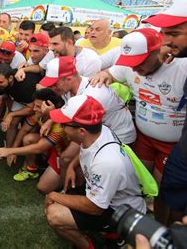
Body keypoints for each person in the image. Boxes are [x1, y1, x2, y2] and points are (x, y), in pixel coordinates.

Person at [90, 28, 187, 222]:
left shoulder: (184, 65)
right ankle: (135, 222)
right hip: (143, 138)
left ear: (158, 51)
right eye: (131, 64)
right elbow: (111, 72)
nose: (135, 69)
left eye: (141, 62)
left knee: (164, 191)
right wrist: (103, 76)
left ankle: (162, 230)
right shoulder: (129, 65)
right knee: (136, 182)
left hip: (173, 145)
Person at [45, 95, 146, 248]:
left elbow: (95, 208)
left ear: (81, 131)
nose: (61, 127)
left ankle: (92, 244)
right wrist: (72, 165)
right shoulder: (99, 131)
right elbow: (88, 149)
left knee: (53, 214)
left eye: (64, 124)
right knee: (66, 195)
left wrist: (54, 195)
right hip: (110, 199)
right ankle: (111, 233)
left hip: (119, 210)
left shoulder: (107, 162)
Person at [141, 0, 187, 222]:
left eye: (174, 33)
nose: (166, 41)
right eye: (163, 33)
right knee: (169, 205)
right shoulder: (183, 59)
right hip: (183, 155)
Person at [40, 56, 136, 145]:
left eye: (54, 84)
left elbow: (76, 125)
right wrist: (51, 120)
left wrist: (51, 114)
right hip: (98, 132)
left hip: (119, 137)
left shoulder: (94, 93)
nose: (52, 88)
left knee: (67, 157)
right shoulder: (68, 89)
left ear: (68, 79)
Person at [0, 88, 69, 192]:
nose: (34, 109)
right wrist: (13, 149)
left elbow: (39, 148)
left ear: (50, 107)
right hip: (49, 145)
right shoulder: (38, 114)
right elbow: (23, 130)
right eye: (34, 105)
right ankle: (32, 170)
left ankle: (66, 180)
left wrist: (9, 151)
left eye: (38, 106)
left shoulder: (59, 125)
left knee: (43, 187)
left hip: (61, 154)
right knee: (28, 138)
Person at [0, 63, 42, 148]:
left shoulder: (25, 86)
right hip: (20, 99)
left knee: (28, 127)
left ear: (11, 78)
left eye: (0, 82)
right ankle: (8, 148)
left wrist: (11, 114)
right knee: (12, 122)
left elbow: (31, 109)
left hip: (35, 103)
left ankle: (17, 149)